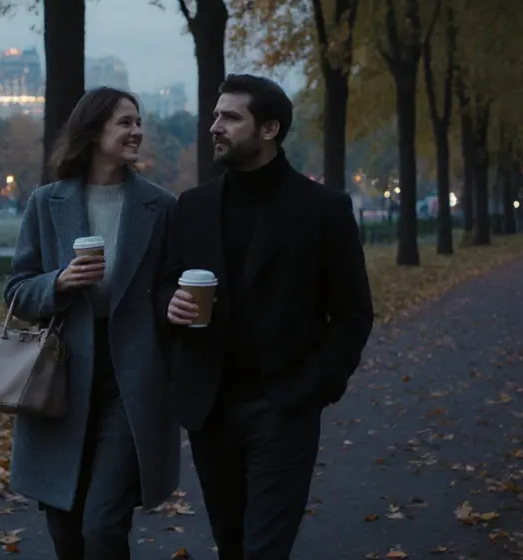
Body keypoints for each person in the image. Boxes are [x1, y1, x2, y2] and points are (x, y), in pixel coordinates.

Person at [156, 74, 374, 559]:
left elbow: (354, 313)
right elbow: (164, 287)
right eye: (215, 115)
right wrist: (171, 304)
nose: (215, 126)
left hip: (284, 407)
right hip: (210, 410)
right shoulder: (192, 207)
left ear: (269, 128)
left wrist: (316, 385)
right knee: (232, 545)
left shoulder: (324, 209)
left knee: (263, 551)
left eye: (230, 117)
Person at [2, 87, 180, 560]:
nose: (136, 131)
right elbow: (17, 291)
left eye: (138, 122)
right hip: (61, 377)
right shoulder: (47, 203)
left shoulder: (160, 207)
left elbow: (167, 286)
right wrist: (59, 282)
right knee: (66, 527)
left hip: (131, 380)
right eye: (125, 122)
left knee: (103, 526)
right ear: (93, 129)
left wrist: (176, 304)